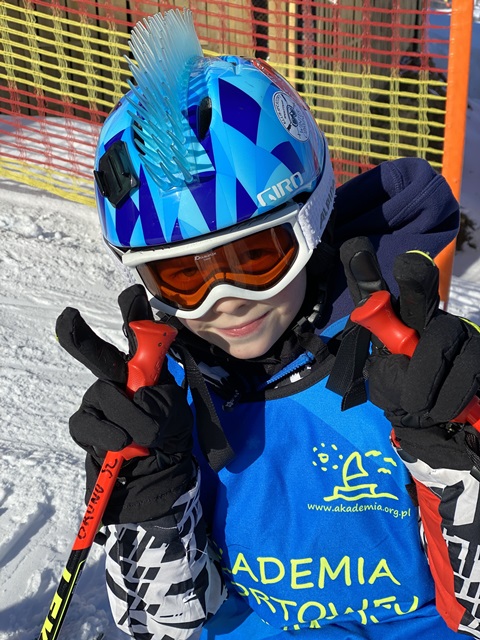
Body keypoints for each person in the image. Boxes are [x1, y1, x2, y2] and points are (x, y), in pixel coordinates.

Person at [56, 8, 480, 640]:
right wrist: (149, 493)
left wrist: (458, 445)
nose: (223, 301)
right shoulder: (169, 402)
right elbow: (162, 626)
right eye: (183, 278)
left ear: (310, 220)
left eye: (254, 259)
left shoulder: (411, 364)